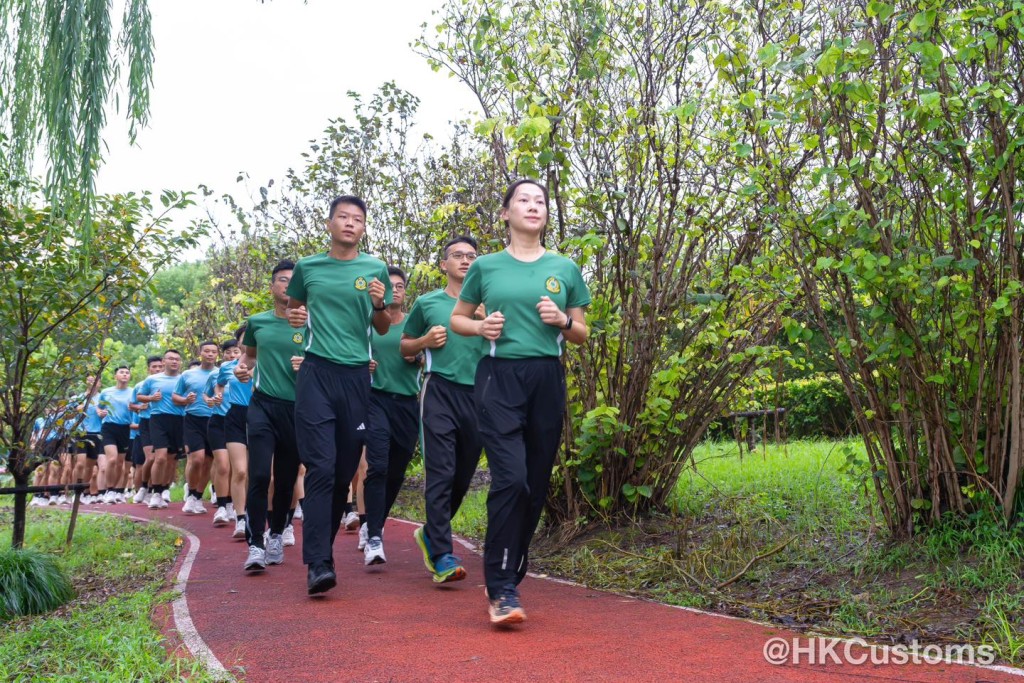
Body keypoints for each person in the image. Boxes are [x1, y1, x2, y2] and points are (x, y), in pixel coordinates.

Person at [450, 179, 591, 626]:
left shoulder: (564, 267)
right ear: (507, 213)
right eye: (523, 201)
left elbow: (582, 332)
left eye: (541, 201)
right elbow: (458, 318)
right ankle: (501, 587)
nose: (533, 206)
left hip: (547, 378)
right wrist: (481, 328)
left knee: (532, 483)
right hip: (500, 378)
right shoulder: (487, 267)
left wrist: (563, 319)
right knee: (510, 479)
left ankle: (512, 560)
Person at [286, 194, 392, 595]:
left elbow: (381, 327)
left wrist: (380, 302)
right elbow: (296, 309)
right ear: (329, 223)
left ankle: (322, 550)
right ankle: (318, 563)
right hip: (316, 373)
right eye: (343, 217)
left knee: (344, 469)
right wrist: (298, 318)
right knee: (321, 468)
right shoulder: (308, 268)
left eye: (358, 219)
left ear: (364, 228)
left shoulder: (374, 268)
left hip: (355, 379)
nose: (350, 223)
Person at [402, 235, 487, 583]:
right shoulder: (427, 303)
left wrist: (487, 320)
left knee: (463, 476)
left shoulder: (490, 302)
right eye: (457, 255)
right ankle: (441, 553)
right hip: (439, 391)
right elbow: (404, 347)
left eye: (471, 255)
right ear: (443, 264)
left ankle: (429, 532)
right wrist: (424, 342)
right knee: (441, 471)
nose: (465, 261)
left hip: (481, 395)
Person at [238, 259, 306, 571]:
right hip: (263, 405)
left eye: (293, 280)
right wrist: (243, 369)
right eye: (282, 280)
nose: (287, 285)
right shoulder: (258, 322)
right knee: (261, 474)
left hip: (297, 409)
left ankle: (277, 531)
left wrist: (308, 368)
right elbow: (249, 357)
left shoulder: (312, 324)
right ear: (273, 286)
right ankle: (255, 544)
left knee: (286, 479)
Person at [361, 266, 421, 566]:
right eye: (390, 285)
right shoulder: (370, 324)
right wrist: (364, 365)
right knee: (378, 466)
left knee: (397, 471)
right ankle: (374, 536)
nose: (395, 289)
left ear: (405, 292)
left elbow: (431, 354)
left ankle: (374, 521)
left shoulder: (414, 323)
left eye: (400, 286)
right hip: (376, 400)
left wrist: (419, 356)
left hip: (408, 403)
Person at [173, 342, 219, 514]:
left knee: (208, 461)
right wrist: (185, 400)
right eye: (206, 351)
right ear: (200, 353)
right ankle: (191, 493)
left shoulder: (220, 373)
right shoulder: (187, 374)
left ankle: (198, 496)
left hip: (215, 420)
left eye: (213, 352)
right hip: (193, 419)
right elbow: (175, 396)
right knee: (197, 458)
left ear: (217, 354)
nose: (210, 354)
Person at [137, 349, 185, 509]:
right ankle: (155, 492)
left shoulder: (184, 379)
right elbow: (139, 396)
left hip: (179, 420)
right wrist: (151, 398)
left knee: (171, 460)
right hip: (158, 419)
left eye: (177, 359)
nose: (174, 361)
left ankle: (164, 488)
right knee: (160, 457)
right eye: (171, 358)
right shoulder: (152, 379)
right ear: (164, 362)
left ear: (180, 362)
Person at [216, 327, 252, 539]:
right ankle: (240, 519)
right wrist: (219, 396)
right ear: (238, 344)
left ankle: (265, 520)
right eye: (244, 339)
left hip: (261, 416)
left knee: (262, 474)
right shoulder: (227, 367)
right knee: (239, 471)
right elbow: (219, 386)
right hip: (236, 416)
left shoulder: (268, 363)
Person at [97, 366, 134, 504]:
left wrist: (137, 408)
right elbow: (99, 408)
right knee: (111, 459)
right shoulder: (106, 392)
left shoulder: (133, 392)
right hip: (108, 428)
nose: (124, 375)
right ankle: (110, 490)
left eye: (127, 373)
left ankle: (117, 489)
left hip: (125, 428)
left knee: (120, 463)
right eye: (121, 372)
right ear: (115, 376)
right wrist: (100, 413)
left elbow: (138, 408)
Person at [130, 355, 164, 504]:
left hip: (163, 423)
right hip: (146, 422)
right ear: (148, 369)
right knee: (150, 458)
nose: (157, 369)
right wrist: (140, 406)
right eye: (154, 367)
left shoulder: (170, 382)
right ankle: (142, 488)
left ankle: (157, 490)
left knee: (162, 459)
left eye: (159, 367)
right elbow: (131, 405)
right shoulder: (141, 385)